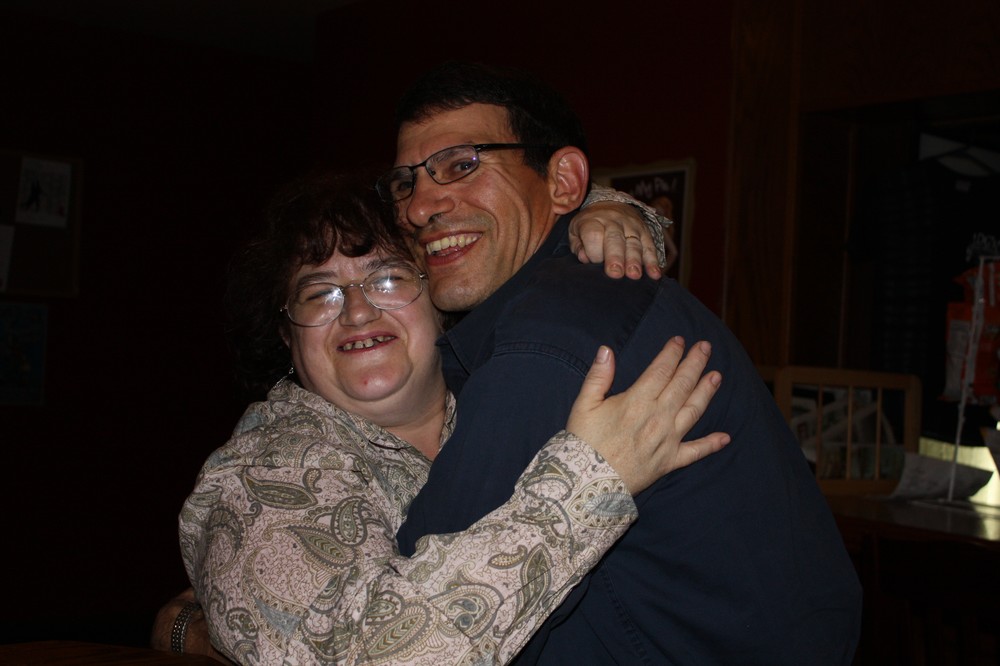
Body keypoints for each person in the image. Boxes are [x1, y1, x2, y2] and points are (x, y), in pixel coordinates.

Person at [385, 61, 863, 664]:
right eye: (404, 183)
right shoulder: (554, 305)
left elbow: (416, 621)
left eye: (461, 165)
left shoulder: (553, 336)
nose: (419, 206)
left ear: (564, 182)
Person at [173, 169, 729, 664]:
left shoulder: (505, 390)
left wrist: (601, 209)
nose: (358, 311)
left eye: (388, 278)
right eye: (320, 295)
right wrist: (591, 484)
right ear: (285, 335)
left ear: (438, 298)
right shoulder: (265, 473)